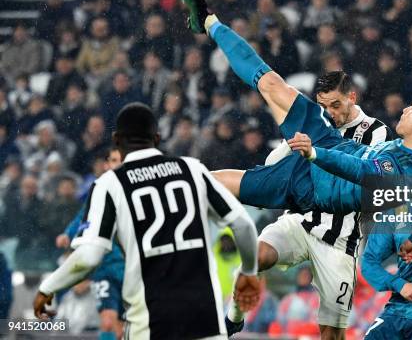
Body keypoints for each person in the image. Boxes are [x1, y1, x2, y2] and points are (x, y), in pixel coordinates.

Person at [177, 0, 412, 217]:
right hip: (331, 142)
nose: (407, 108)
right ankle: (209, 21)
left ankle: (167, 192)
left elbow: (358, 169)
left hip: (310, 185)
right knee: (272, 84)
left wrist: (313, 153)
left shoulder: (399, 172)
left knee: (225, 184)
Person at [33, 103, 261, 340]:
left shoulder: (110, 184)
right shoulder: (192, 169)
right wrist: (249, 272)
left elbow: (88, 258)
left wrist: (48, 287)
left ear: (116, 139)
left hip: (152, 326)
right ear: (158, 137)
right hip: (205, 324)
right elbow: (243, 224)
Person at [226, 71, 393, 339]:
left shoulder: (376, 132)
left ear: (352, 97)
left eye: (335, 105)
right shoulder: (314, 122)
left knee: (331, 334)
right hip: (300, 220)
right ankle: (233, 318)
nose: (329, 112)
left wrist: (316, 154)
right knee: (255, 257)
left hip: (340, 238)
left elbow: (367, 176)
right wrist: (281, 163)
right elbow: (275, 162)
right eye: (323, 105)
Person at [55, 148, 125, 340]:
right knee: (108, 322)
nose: (118, 164)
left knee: (127, 323)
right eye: (114, 160)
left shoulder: (139, 189)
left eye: (122, 160)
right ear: (106, 165)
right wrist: (68, 234)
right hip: (107, 265)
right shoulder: (100, 190)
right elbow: (83, 217)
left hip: (133, 266)